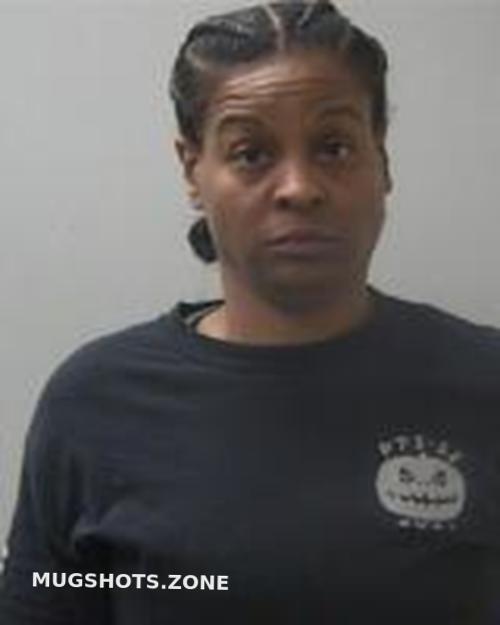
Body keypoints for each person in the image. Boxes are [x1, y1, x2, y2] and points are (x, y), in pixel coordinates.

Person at [1, 1, 499, 623]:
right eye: (251, 153)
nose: (299, 187)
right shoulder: (94, 402)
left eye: (334, 147)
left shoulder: (485, 381)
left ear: (382, 159)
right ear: (193, 170)